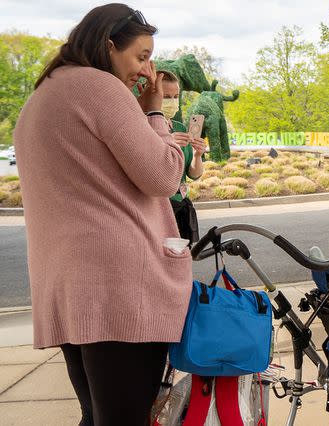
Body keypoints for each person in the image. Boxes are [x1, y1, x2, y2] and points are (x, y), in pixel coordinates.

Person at [13, 4, 192, 424]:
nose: (146, 71)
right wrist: (154, 113)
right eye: (141, 56)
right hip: (118, 288)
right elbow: (164, 175)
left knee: (97, 413)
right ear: (109, 44)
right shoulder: (98, 87)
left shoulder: (45, 94)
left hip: (71, 286)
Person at [157, 69, 206, 245]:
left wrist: (197, 155)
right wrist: (168, 144)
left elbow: (193, 174)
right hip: (157, 210)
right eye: (166, 96)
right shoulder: (144, 127)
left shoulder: (179, 127)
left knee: (182, 260)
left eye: (175, 96)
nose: (172, 102)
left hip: (181, 205)